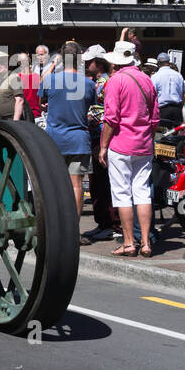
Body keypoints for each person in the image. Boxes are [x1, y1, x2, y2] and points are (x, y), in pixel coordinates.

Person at [99, 39, 160, 257]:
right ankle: (145, 243)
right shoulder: (147, 79)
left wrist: (103, 147)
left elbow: (111, 118)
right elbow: (154, 118)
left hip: (121, 144)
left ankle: (128, 243)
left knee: (122, 194)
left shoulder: (115, 81)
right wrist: (146, 137)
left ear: (116, 61)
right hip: (143, 145)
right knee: (143, 193)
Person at [38, 40, 96, 222]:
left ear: (62, 58)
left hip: (55, 139)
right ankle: (73, 229)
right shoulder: (88, 83)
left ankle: (56, 227)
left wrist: (54, 64)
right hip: (78, 138)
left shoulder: (51, 79)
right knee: (76, 186)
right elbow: (90, 106)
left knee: (55, 185)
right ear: (79, 59)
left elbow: (41, 98)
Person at [81, 45, 115, 244]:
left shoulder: (105, 83)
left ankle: (110, 224)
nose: (86, 64)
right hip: (96, 137)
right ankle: (104, 222)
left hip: (102, 138)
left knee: (102, 182)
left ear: (98, 63)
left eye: (89, 61)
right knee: (96, 182)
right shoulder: (96, 83)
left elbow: (108, 113)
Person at [152, 52, 185, 128]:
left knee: (162, 136)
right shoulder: (178, 75)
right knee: (177, 137)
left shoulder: (155, 76)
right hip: (177, 109)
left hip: (162, 110)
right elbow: (183, 94)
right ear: (169, 62)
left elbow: (153, 95)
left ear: (158, 63)